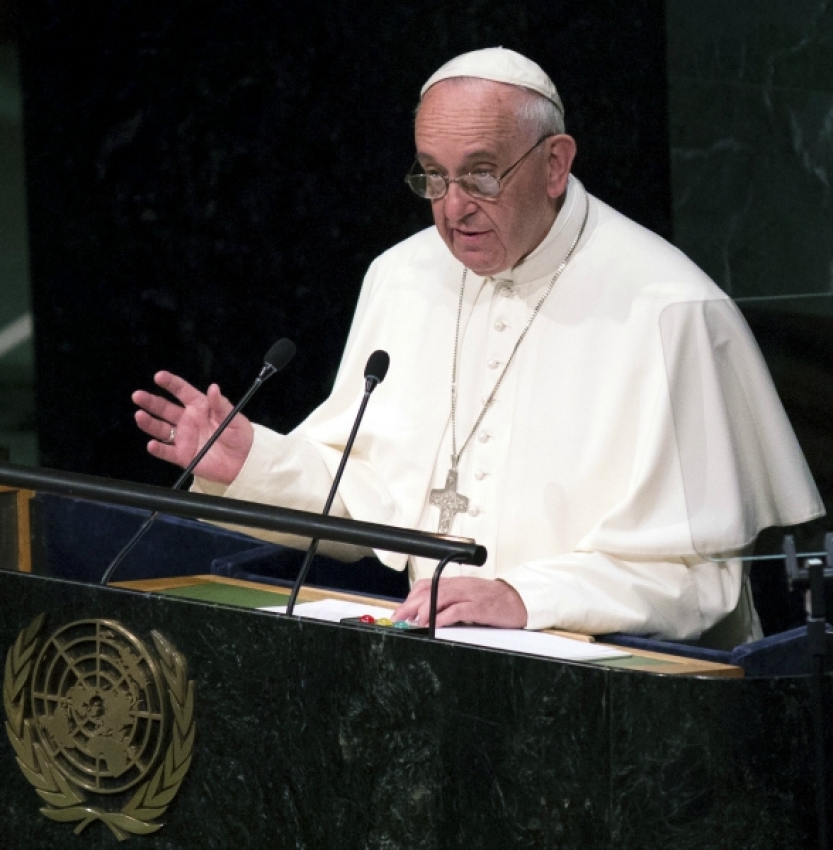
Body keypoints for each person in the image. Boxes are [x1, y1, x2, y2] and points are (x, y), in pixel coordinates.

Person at [133, 48, 824, 644]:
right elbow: (365, 507)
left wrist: (527, 600)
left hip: (624, 694)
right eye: (432, 175)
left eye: (482, 174)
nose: (452, 207)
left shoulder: (672, 309)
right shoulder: (401, 277)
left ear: (555, 164)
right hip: (435, 661)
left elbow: (702, 583)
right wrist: (255, 461)